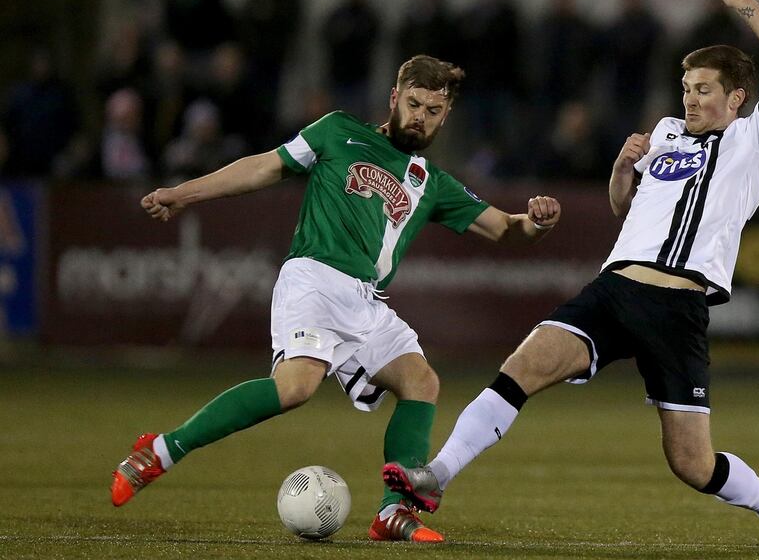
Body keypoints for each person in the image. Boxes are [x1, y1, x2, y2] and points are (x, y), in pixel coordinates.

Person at [383, 0, 759, 546]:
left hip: (677, 307)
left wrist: (744, 7)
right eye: (685, 88)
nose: (688, 99)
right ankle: (435, 476)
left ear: (736, 99)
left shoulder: (754, 141)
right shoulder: (664, 133)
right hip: (613, 289)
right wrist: (620, 172)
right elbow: (625, 211)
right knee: (524, 364)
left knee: (690, 462)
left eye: (703, 90)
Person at [108, 55, 563, 543]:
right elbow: (265, 167)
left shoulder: (431, 182)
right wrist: (184, 194)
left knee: (420, 381)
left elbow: (505, 229)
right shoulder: (337, 131)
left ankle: (394, 512)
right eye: (413, 104)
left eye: (433, 111)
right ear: (394, 98)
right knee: (296, 386)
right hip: (314, 277)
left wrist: (535, 222)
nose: (420, 117)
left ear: (445, 115)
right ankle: (158, 451)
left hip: (364, 299)